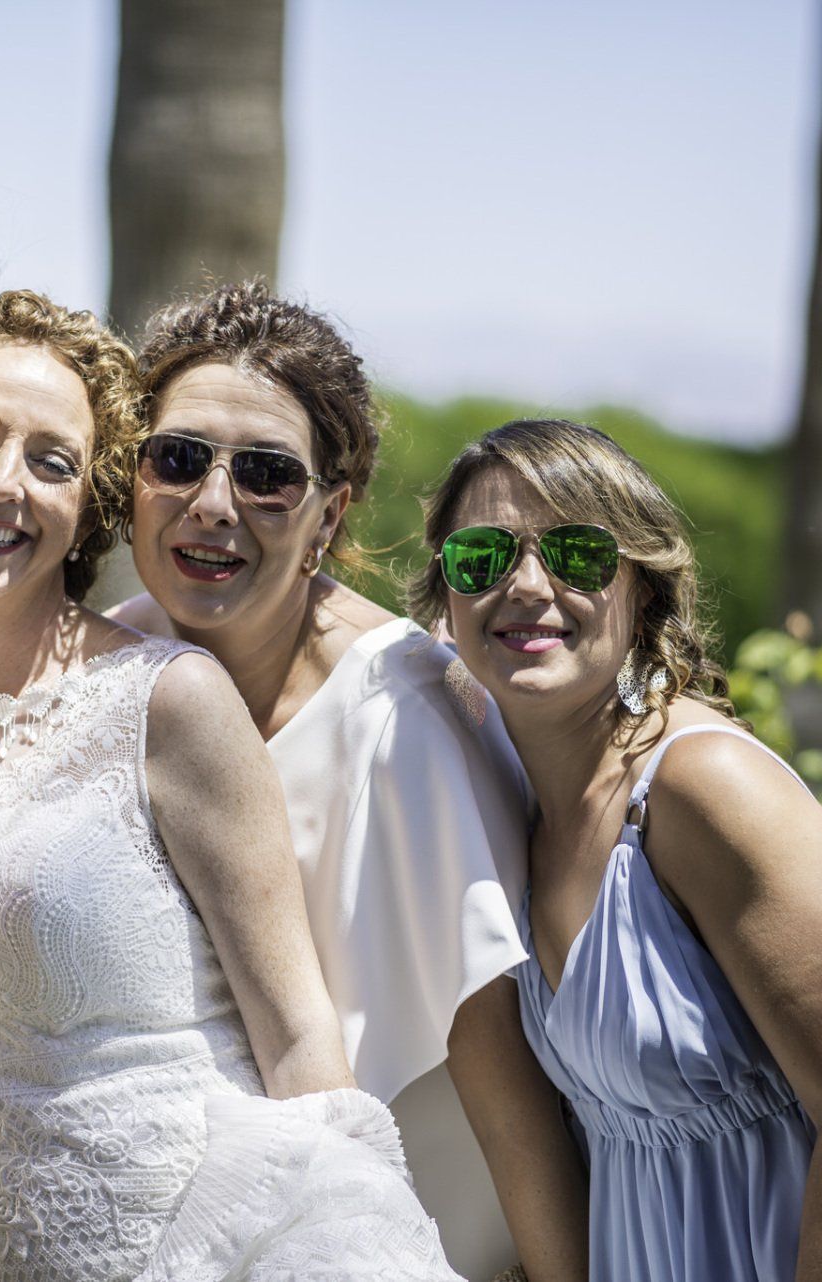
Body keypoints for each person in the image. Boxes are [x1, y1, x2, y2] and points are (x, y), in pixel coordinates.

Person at [0, 288, 458, 1281]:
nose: (2, 483)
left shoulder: (169, 698)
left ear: (90, 507)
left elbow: (299, 1035)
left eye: (53, 462)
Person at [415, 418, 822, 1281]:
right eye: (481, 555)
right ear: (446, 594)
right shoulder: (513, 813)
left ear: (642, 590)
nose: (525, 584)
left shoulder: (701, 787)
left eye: (578, 554)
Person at [109, 281, 557, 1279]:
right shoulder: (114, 659)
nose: (213, 504)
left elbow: (501, 1068)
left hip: (415, 1229)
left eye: (267, 474)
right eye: (177, 458)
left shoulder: (405, 713)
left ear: (329, 512)